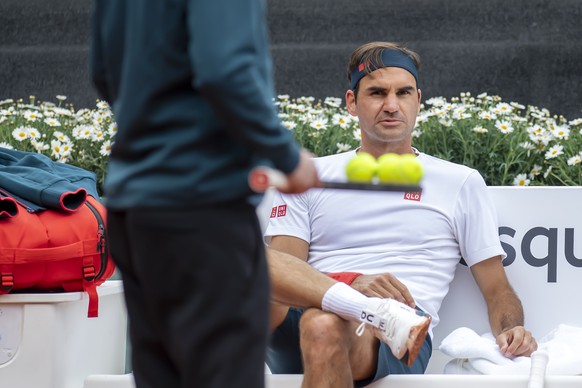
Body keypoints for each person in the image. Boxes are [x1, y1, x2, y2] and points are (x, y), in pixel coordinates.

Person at [263, 41, 538, 388]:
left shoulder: (460, 182)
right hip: (306, 314)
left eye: (403, 93)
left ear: (418, 101)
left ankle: (364, 311)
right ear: (352, 102)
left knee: (324, 326)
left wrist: (512, 330)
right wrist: (351, 283)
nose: (391, 106)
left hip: (398, 334)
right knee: (246, 254)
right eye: (377, 93)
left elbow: (497, 288)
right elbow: (281, 275)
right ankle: (356, 304)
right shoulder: (308, 176)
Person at [89, 1, 319, 388]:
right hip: (203, 209)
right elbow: (225, 71)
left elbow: (103, 72)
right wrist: (285, 156)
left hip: (134, 210)